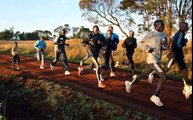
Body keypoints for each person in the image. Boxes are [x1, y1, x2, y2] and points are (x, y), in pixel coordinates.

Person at [125, 20, 167, 107]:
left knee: (144, 75)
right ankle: (155, 96)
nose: (163, 27)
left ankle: (129, 83)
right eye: (161, 25)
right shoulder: (151, 34)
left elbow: (165, 47)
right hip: (152, 59)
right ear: (156, 26)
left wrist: (164, 45)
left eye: (163, 25)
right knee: (163, 77)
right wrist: (148, 49)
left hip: (158, 59)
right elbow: (139, 42)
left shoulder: (164, 34)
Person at [163, 22, 192, 99]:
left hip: (178, 54)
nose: (187, 27)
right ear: (182, 27)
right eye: (186, 26)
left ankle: (186, 87)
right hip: (175, 54)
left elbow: (174, 42)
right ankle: (152, 73)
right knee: (166, 68)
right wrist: (184, 42)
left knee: (184, 69)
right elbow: (178, 44)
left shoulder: (179, 33)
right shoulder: (181, 33)